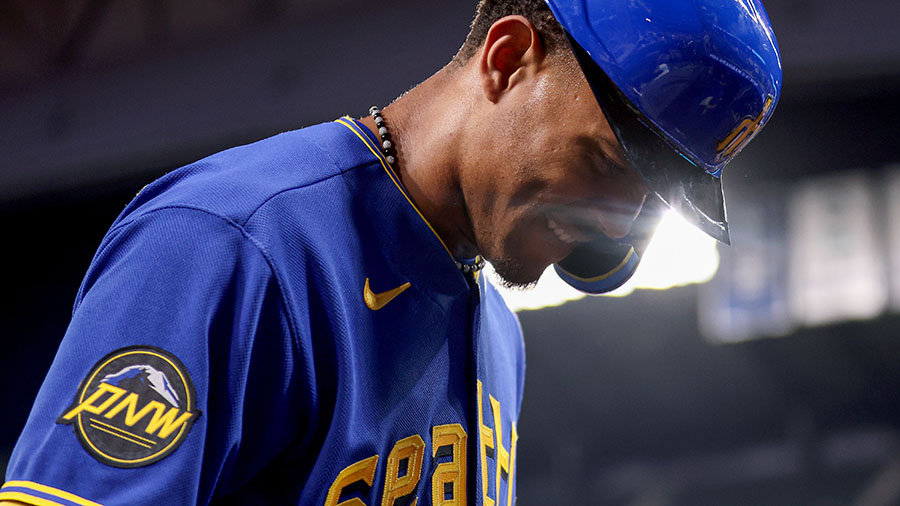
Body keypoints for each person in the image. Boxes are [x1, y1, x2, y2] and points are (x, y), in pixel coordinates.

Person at [0, 0, 781, 504]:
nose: (619, 228)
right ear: (507, 60)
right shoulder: (230, 242)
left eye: (649, 201)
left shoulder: (496, 328)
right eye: (609, 167)